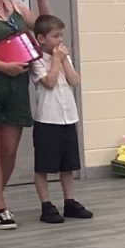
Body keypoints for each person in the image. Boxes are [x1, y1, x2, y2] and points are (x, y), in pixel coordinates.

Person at [0, 0, 50, 230]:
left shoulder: (16, 8)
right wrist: (3, 66)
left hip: (16, 88)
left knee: (9, 149)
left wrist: (41, 0)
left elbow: (44, 28)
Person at [29, 15, 92, 224]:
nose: (60, 40)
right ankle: (46, 205)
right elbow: (49, 82)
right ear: (41, 38)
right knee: (44, 165)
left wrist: (64, 60)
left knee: (68, 164)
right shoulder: (37, 61)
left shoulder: (65, 58)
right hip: (47, 119)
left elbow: (75, 80)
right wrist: (56, 60)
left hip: (68, 118)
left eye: (61, 35)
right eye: (55, 36)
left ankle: (70, 201)